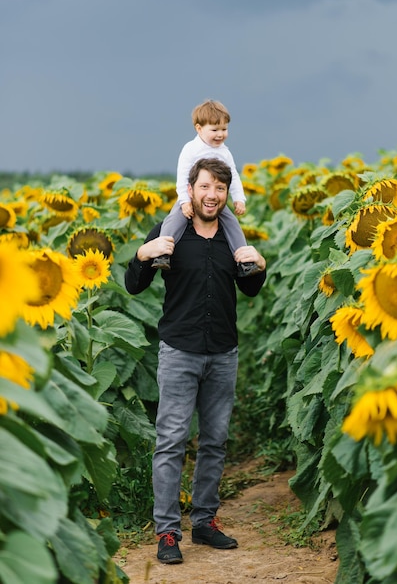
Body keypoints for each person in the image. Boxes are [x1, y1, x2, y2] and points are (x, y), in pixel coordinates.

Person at [125, 157, 267, 565]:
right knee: (170, 442)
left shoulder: (230, 238)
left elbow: (251, 288)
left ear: (226, 193)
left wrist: (258, 263)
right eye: (205, 187)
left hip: (223, 352)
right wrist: (141, 252)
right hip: (180, 351)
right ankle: (168, 532)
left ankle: (204, 522)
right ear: (191, 189)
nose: (212, 195)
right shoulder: (172, 232)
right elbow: (134, 285)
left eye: (220, 189)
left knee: (215, 442)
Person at [152, 99, 259, 277]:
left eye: (224, 129)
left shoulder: (225, 152)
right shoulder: (191, 149)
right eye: (214, 130)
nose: (220, 135)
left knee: (232, 224)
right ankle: (163, 254)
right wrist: (185, 201)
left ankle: (244, 260)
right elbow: (182, 177)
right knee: (174, 221)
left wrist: (239, 198)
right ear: (199, 128)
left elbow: (233, 176)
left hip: (213, 202)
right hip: (190, 198)